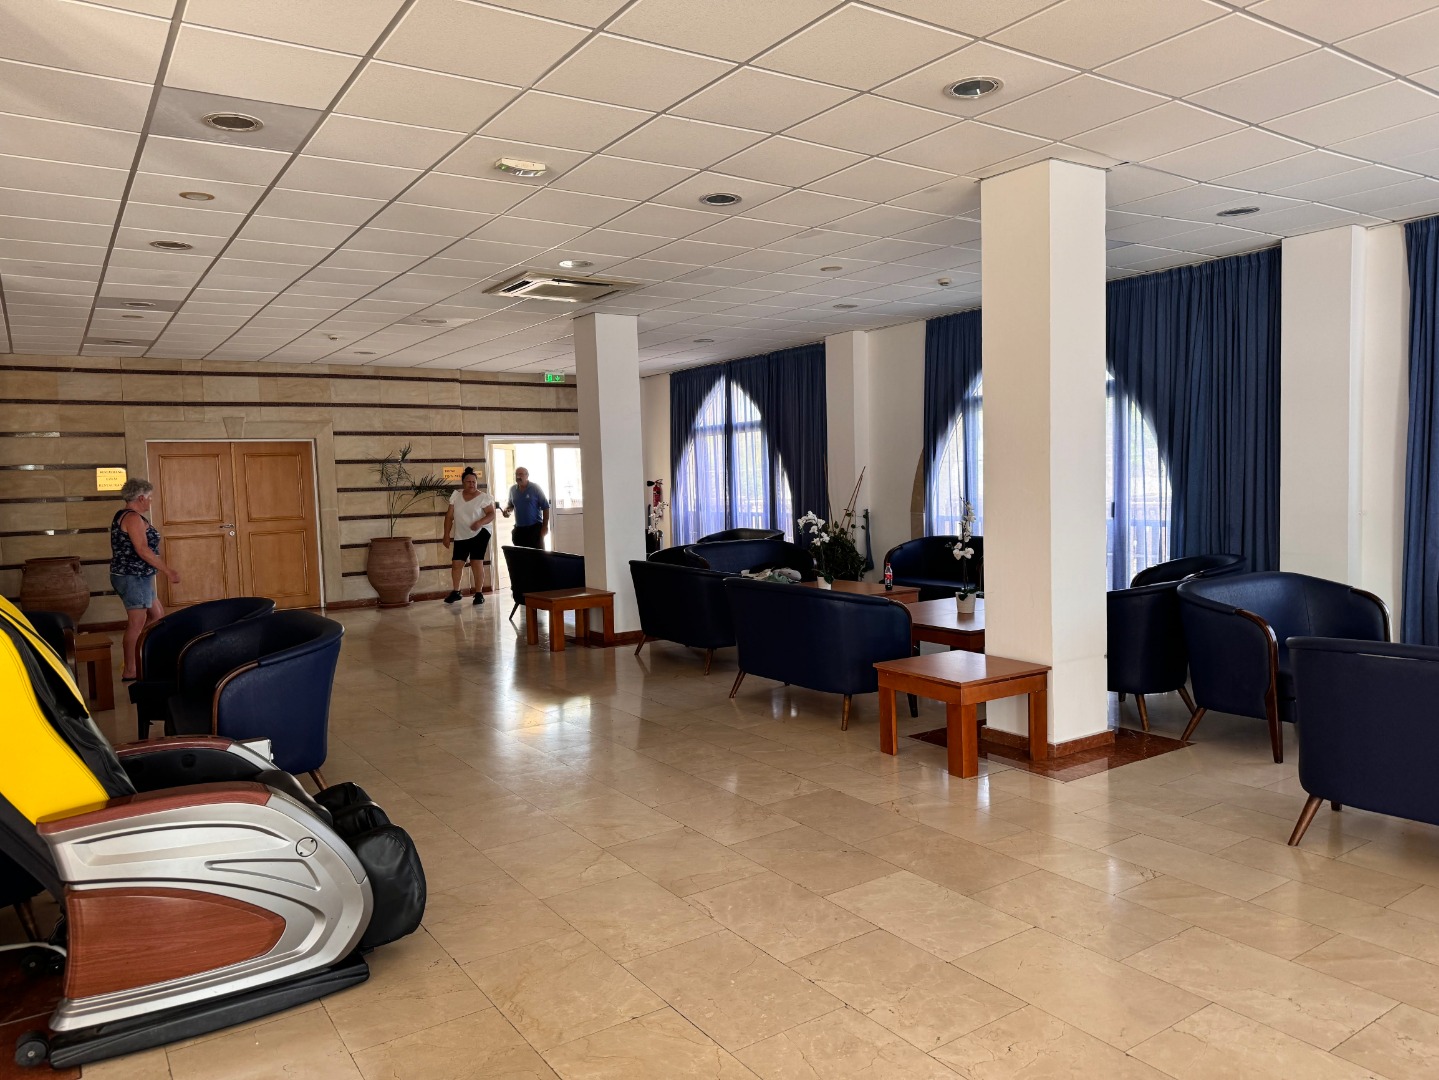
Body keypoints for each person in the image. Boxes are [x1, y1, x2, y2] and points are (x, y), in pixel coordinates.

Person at [110, 477, 180, 681]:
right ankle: (130, 669)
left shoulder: (127, 515)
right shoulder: (132, 518)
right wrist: (168, 570)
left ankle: (145, 657)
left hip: (139, 576)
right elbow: (142, 549)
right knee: (136, 623)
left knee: (157, 615)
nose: (150, 501)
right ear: (141, 498)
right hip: (132, 577)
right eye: (149, 497)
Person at [442, 466, 494, 606]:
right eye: (468, 482)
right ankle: (456, 592)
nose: (472, 484)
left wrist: (480, 522)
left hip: (480, 532)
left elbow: (491, 514)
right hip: (461, 534)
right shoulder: (456, 497)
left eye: (474, 482)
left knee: (476, 562)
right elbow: (449, 517)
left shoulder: (483, 497)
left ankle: (479, 593)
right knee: (456, 563)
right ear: (463, 483)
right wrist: (446, 535)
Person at [501, 466, 550, 549]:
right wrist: (507, 510)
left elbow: (545, 507)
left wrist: (545, 527)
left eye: (521, 474)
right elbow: (511, 505)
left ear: (527, 476)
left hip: (535, 529)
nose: (518, 476)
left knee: (537, 555)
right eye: (516, 474)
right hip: (519, 530)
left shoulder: (535, 488)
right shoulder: (512, 489)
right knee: (521, 556)